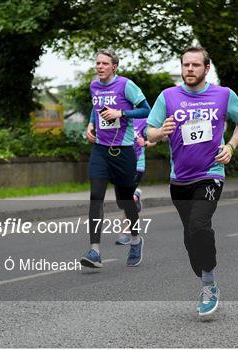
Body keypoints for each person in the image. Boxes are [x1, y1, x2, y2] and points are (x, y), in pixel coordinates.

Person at [147, 46, 238, 317]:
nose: (189, 69)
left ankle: (209, 284)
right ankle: (203, 269)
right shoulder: (168, 96)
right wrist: (161, 131)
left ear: (206, 68)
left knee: (199, 224)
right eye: (185, 65)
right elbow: (149, 131)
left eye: (195, 65)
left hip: (211, 173)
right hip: (179, 179)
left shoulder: (224, 95)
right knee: (191, 238)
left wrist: (231, 146)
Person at [81, 49, 151, 268]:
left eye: (104, 63)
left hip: (123, 151)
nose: (99, 66)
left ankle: (136, 239)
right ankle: (94, 251)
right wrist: (91, 124)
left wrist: (121, 113)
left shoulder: (126, 85)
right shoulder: (94, 86)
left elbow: (145, 110)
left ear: (114, 67)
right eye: (97, 63)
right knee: (96, 196)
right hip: (101, 150)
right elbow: (96, 108)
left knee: (124, 201)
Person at [115, 117, 157, 245]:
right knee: (121, 203)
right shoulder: (117, 118)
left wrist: (144, 143)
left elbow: (154, 141)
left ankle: (126, 233)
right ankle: (136, 196)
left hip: (137, 165)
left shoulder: (143, 120)